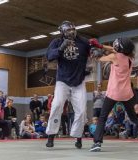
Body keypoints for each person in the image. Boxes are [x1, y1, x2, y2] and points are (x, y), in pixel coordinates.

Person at [89, 37, 138, 152]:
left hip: (114, 92)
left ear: (120, 48)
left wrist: (94, 53)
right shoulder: (130, 58)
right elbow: (113, 49)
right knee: (134, 118)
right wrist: (100, 46)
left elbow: (100, 58)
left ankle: (97, 142)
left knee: (102, 118)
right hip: (127, 93)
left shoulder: (115, 57)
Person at [45, 21, 91, 149]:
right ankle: (51, 135)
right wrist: (60, 49)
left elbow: (92, 52)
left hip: (79, 81)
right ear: (62, 32)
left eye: (73, 30)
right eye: (68, 31)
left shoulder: (83, 41)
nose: (71, 32)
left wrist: (96, 52)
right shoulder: (57, 42)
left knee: (81, 111)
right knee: (56, 105)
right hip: (62, 81)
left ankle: (78, 137)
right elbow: (49, 56)